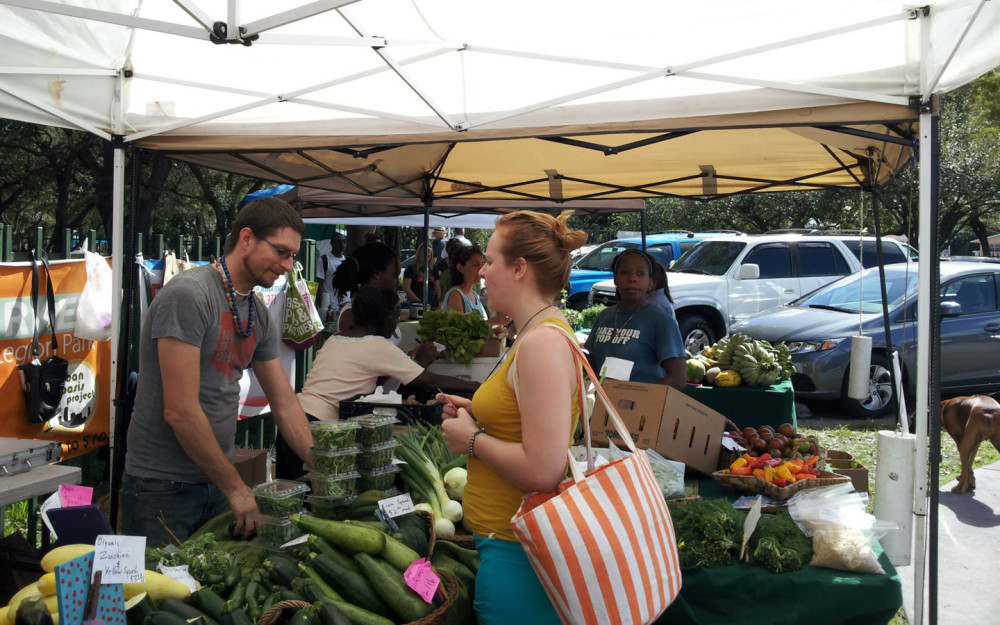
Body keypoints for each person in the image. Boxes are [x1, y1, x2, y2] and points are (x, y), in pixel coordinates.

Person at [123, 197, 315, 546]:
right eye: (282, 252)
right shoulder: (189, 295)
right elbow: (180, 411)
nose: (289, 265)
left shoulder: (254, 309)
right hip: (161, 487)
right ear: (246, 238)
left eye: (293, 256)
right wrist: (237, 489)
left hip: (216, 482)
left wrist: (323, 464)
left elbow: (285, 404)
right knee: (161, 599)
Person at [437, 210, 587, 625]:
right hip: (509, 546)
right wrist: (478, 415)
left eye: (489, 261)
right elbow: (526, 420)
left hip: (519, 553)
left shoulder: (541, 343)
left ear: (519, 268)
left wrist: (471, 440)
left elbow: (543, 469)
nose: (482, 272)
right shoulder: (535, 332)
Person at [297, 287, 480, 422]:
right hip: (320, 422)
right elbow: (430, 381)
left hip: (297, 414)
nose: (396, 324)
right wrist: (475, 385)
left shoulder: (336, 338)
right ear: (383, 319)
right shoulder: (377, 346)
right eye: (396, 317)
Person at [584, 249, 687, 389]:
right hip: (604, 405)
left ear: (650, 282)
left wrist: (640, 399)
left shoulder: (660, 321)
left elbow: (678, 378)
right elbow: (593, 361)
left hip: (642, 408)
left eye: (640, 273)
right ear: (615, 278)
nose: (633, 278)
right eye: (625, 272)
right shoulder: (604, 316)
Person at [441, 245, 510, 328]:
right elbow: (460, 331)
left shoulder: (474, 295)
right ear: (460, 267)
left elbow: (480, 327)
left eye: (482, 264)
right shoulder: (455, 294)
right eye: (476, 265)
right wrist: (494, 321)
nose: (481, 269)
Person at [317, 232, 347, 315]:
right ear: (331, 243)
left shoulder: (348, 260)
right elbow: (319, 285)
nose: (342, 244)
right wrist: (323, 307)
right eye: (338, 242)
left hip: (345, 306)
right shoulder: (324, 260)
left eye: (344, 241)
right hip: (330, 308)